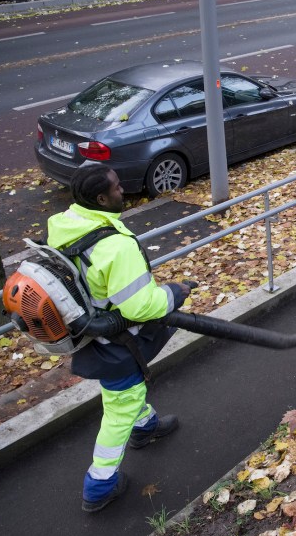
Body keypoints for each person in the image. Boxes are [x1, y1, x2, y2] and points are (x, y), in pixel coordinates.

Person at [47, 164, 191, 513]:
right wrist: (175, 292)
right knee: (119, 407)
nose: (122, 190)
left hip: (92, 332)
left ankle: (145, 427)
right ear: (100, 198)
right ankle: (99, 485)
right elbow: (141, 306)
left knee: (125, 394)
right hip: (119, 340)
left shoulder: (66, 225)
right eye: (115, 187)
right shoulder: (115, 247)